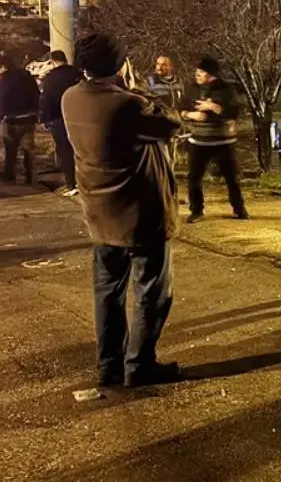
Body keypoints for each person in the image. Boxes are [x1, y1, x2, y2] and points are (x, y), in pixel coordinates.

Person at [62, 31, 183, 387]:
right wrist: (134, 88)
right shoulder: (126, 104)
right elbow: (171, 123)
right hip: (141, 215)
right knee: (151, 292)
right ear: (119, 65)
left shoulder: (70, 98)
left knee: (107, 293)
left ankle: (109, 364)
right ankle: (140, 365)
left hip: (100, 214)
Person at [182, 57, 247, 223]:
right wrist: (191, 114)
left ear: (211, 75)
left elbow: (234, 112)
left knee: (232, 178)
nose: (196, 75)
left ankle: (239, 208)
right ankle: (196, 210)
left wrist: (214, 107)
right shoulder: (192, 89)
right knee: (194, 178)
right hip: (198, 141)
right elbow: (180, 110)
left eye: (200, 72)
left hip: (223, 142)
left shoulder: (226, 90)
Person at [39, 50, 81, 196]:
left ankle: (71, 184)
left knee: (65, 151)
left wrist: (44, 119)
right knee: (81, 149)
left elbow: (46, 100)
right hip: (78, 117)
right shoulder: (77, 73)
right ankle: (84, 181)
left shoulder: (50, 79)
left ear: (52, 61)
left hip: (58, 118)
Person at [0, 57, 41, 185]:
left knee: (10, 148)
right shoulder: (28, 77)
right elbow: (37, 95)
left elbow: (2, 99)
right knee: (28, 149)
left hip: (11, 120)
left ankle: (10, 174)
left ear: (3, 67)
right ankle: (30, 176)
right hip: (29, 118)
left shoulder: (5, 79)